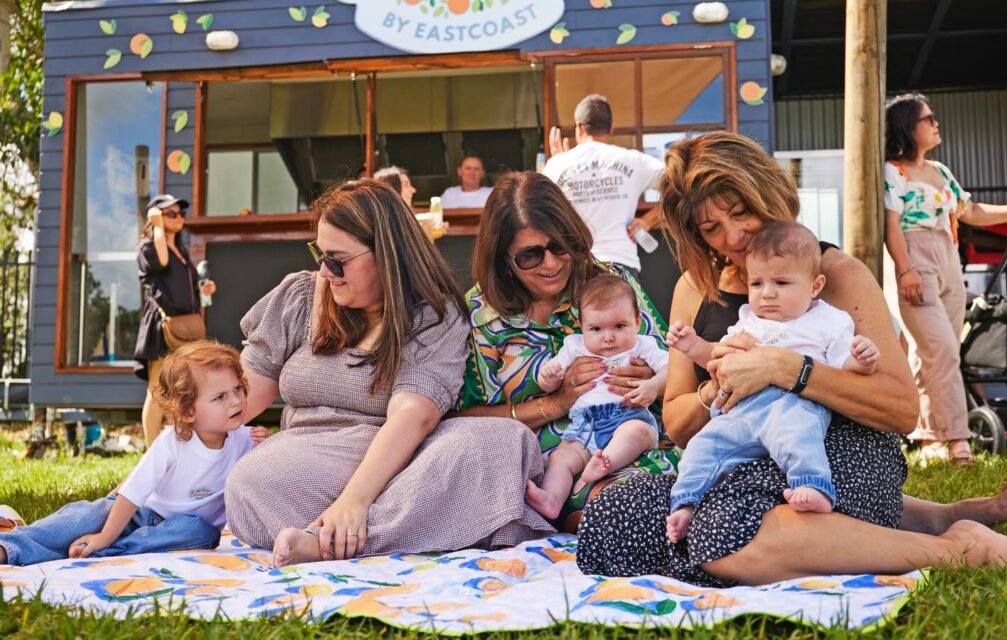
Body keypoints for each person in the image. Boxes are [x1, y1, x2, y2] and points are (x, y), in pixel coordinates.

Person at [576, 131, 1007, 586]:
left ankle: (956, 549)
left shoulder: (835, 274)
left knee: (722, 533)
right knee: (613, 513)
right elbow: (677, 422)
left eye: (740, 212)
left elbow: (901, 410)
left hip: (836, 452)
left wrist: (785, 368)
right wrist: (719, 384)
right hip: (738, 456)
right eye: (711, 228)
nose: (732, 236)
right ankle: (926, 519)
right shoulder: (694, 289)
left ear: (766, 194)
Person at [224, 180, 551, 566]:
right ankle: (410, 527)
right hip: (312, 459)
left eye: (337, 259)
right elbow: (240, 399)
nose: (326, 271)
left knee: (501, 441)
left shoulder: (433, 314)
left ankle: (326, 540)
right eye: (320, 255)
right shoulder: (299, 296)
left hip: (402, 457)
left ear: (387, 255)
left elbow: (414, 414)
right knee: (248, 482)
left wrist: (356, 500)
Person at [454, 171, 678, 530]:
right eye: (530, 256)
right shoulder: (482, 317)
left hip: (640, 440)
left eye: (561, 246)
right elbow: (459, 420)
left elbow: (677, 364)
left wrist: (651, 377)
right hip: (553, 465)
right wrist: (555, 404)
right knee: (623, 508)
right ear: (503, 259)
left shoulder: (612, 282)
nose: (552, 263)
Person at [665, 222, 879, 541]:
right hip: (741, 412)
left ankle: (812, 485)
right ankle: (685, 503)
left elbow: (841, 364)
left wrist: (861, 360)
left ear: (815, 285)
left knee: (796, 432)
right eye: (757, 283)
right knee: (703, 446)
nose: (767, 293)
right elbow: (717, 357)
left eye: (781, 282)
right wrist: (692, 346)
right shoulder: (749, 321)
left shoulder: (827, 321)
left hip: (793, 402)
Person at [0, 341, 266, 565]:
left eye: (238, 389)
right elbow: (131, 494)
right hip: (137, 513)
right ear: (188, 411)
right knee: (88, 517)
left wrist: (268, 446)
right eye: (220, 397)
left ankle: (105, 551)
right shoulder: (173, 442)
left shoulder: (248, 441)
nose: (235, 401)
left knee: (202, 532)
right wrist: (104, 532)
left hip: (175, 532)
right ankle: (11, 547)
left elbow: (267, 482)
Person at [884, 93, 1007, 465]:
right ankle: (957, 439)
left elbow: (971, 211)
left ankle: (925, 437)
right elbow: (891, 224)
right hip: (915, 257)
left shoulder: (941, 171)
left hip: (949, 257)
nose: (936, 123)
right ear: (907, 128)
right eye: (928, 119)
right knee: (942, 350)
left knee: (929, 354)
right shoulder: (893, 171)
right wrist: (905, 268)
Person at [526, 274, 668, 519]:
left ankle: (604, 464)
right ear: (582, 327)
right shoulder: (574, 346)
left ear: (637, 321)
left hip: (628, 414)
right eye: (596, 329)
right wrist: (548, 378)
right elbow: (550, 380)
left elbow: (672, 369)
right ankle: (551, 499)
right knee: (562, 457)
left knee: (637, 432)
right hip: (586, 423)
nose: (608, 337)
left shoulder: (642, 345)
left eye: (619, 326)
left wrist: (653, 385)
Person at [543, 95, 664, 273]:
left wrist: (559, 163)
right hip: (622, 264)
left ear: (579, 127)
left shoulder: (557, 164)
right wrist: (648, 220)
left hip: (577, 267)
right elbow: (681, 186)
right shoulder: (634, 160)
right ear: (611, 129)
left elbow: (539, 211)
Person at [133, 194, 216, 447]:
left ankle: (177, 447)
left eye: (180, 213)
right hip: (162, 328)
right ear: (155, 216)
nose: (179, 217)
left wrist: (205, 291)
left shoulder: (181, 251)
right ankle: (150, 453)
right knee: (157, 391)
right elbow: (162, 261)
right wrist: (158, 226)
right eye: (171, 213)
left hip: (185, 328)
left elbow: (190, 289)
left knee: (181, 390)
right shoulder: (149, 248)